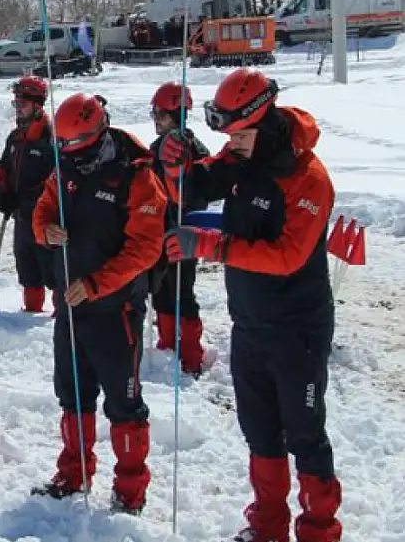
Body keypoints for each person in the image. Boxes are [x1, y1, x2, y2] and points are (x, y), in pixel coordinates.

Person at [160, 68, 342, 542]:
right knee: (260, 432)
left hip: (298, 329)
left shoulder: (308, 178)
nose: (230, 144)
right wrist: (175, 164)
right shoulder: (245, 152)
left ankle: (319, 529)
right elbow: (191, 190)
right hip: (250, 323)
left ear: (263, 123)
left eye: (238, 135)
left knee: (304, 433)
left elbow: (286, 257)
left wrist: (211, 246)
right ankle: (267, 526)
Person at [30, 92, 167, 515]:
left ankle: (130, 490)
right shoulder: (64, 168)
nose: (73, 158)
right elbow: (42, 210)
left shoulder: (137, 175)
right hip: (70, 304)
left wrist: (96, 284)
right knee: (72, 394)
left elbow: (146, 248)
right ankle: (74, 472)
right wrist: (45, 230)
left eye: (79, 150)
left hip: (116, 309)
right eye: (66, 150)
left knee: (123, 402)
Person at [148, 82, 212, 376]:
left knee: (182, 293)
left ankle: (190, 354)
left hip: (183, 235)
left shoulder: (194, 150)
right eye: (154, 114)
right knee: (160, 290)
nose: (156, 120)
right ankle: (166, 344)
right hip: (158, 232)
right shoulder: (156, 148)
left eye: (161, 114)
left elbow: (201, 195)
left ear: (178, 114)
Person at [0, 75, 56, 314]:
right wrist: (2, 193)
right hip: (20, 217)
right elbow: (3, 170)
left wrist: (29, 201)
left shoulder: (50, 139)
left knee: (51, 269)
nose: (18, 108)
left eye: (22, 103)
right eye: (16, 103)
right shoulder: (15, 138)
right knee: (26, 266)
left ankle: (60, 314)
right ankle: (31, 312)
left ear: (37, 104)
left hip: (45, 218)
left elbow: (55, 179)